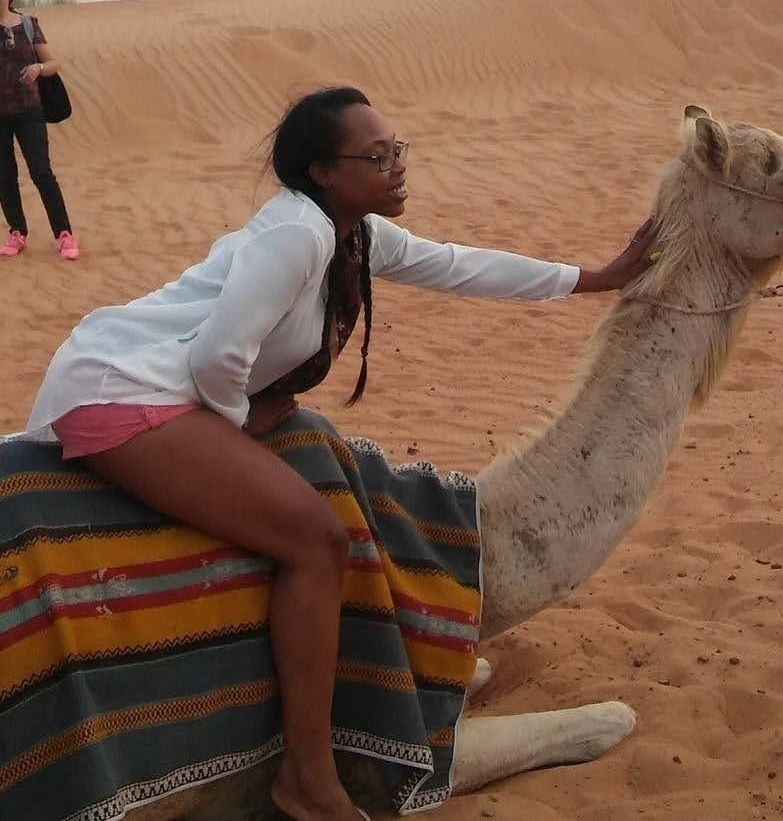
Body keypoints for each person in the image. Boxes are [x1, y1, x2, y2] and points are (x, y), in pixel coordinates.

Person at [23, 86, 655, 821]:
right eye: (376, 157)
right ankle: (308, 779)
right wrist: (238, 427)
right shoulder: (298, 236)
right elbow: (217, 357)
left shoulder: (353, 234)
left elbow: (459, 265)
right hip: (123, 390)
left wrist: (594, 279)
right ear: (324, 172)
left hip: (166, 385)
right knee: (318, 543)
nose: (396, 166)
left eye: (397, 150)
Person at [0, 0, 78, 260]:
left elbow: (53, 62)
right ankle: (17, 232)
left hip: (29, 111)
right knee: (4, 175)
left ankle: (64, 234)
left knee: (41, 171)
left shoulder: (28, 25)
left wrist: (38, 69)